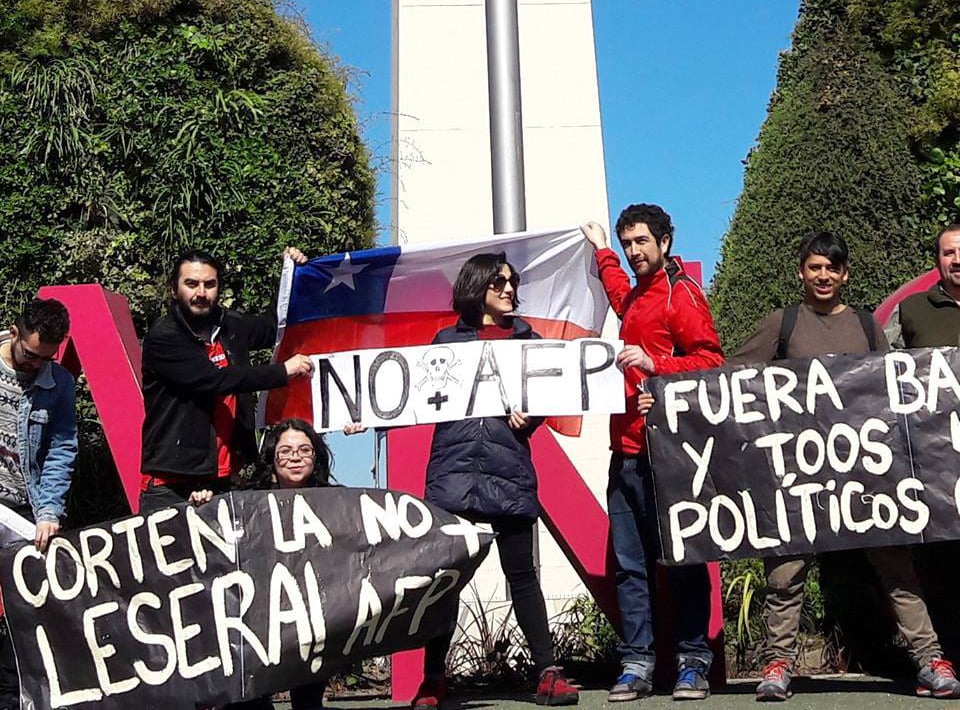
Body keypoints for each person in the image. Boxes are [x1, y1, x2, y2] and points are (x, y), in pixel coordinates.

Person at [731, 231, 960, 701]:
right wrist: (669, 396)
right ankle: (778, 663)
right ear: (801, 272)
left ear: (844, 274)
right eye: (814, 267)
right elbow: (731, 377)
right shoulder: (783, 323)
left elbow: (894, 387)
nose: (823, 275)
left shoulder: (865, 325)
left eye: (831, 268)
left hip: (866, 473)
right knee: (785, 571)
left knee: (896, 562)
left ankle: (930, 660)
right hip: (797, 473)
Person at [409, 252, 580, 709]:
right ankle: (433, 678)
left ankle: (547, 673)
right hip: (454, 474)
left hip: (509, 473)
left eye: (512, 281)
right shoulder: (445, 341)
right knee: (445, 581)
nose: (509, 289)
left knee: (522, 577)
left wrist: (535, 414)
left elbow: (552, 390)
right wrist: (362, 416)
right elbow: (409, 396)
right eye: (499, 282)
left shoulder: (530, 340)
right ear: (477, 287)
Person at [581, 205, 723, 702]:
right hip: (625, 452)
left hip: (670, 455)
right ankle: (637, 664)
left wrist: (655, 366)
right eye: (628, 245)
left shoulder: (680, 295)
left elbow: (711, 361)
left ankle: (692, 663)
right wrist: (600, 249)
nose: (634, 252)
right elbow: (619, 291)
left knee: (684, 560)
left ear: (665, 241)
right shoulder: (637, 295)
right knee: (630, 565)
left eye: (641, 242)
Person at [139, 248, 315, 514]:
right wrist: (282, 372)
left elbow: (273, 326)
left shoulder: (231, 325)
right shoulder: (164, 336)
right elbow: (214, 380)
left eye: (209, 284)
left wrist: (292, 274)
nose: (201, 293)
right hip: (170, 486)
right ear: (173, 290)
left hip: (226, 481)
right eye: (191, 284)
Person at [218, 418, 333, 710]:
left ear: (316, 457)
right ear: (272, 458)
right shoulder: (244, 505)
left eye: (305, 450)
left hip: (313, 624)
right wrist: (202, 500)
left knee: (308, 703)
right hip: (258, 621)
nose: (295, 457)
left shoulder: (337, 504)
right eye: (286, 450)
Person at [0, 297, 77, 707]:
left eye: (45, 358)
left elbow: (61, 450)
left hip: (23, 511)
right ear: (14, 332)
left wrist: (49, 512)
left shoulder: (58, 382)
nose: (35, 365)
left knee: (24, 615)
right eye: (30, 355)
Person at [884, 223, 960, 349]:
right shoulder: (910, 308)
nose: (957, 260)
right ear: (937, 261)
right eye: (949, 253)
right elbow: (883, 362)